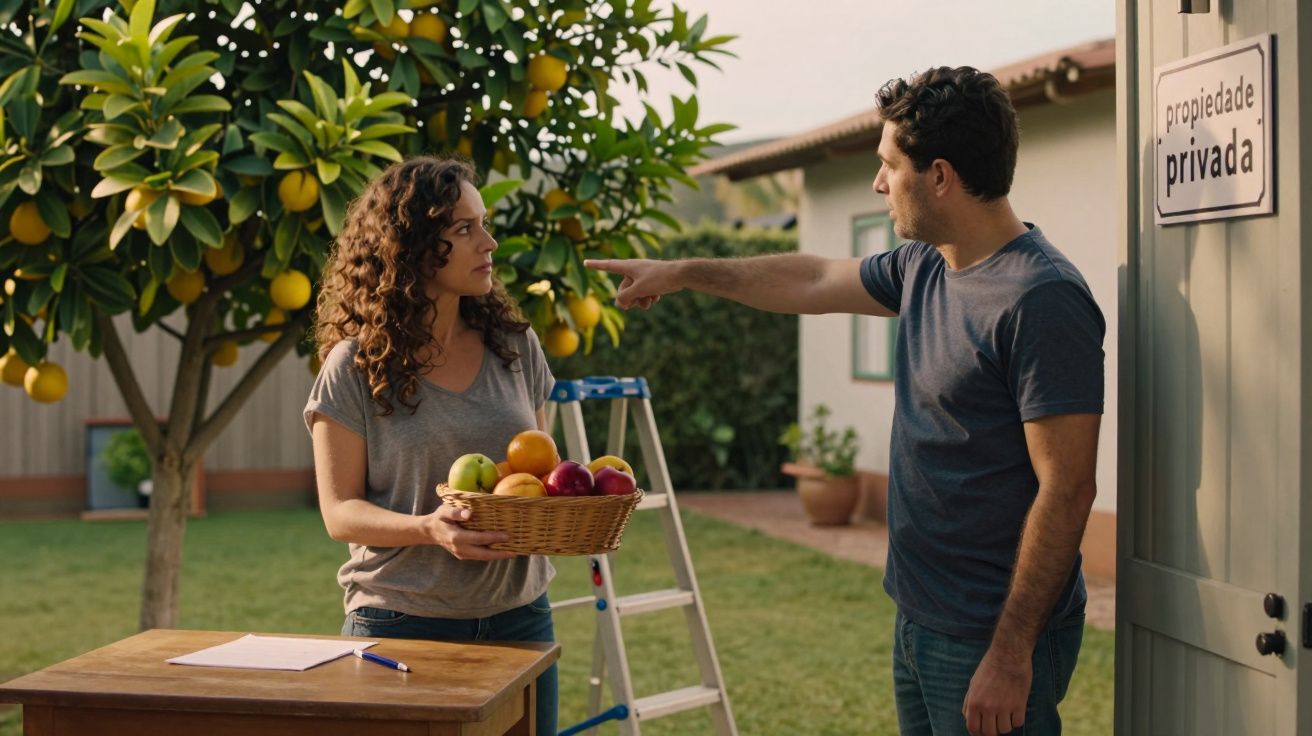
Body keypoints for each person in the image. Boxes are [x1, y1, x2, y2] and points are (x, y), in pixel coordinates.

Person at [588, 66, 1104, 736]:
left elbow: (1067, 488)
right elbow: (812, 279)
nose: (878, 184)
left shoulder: (1041, 298)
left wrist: (1009, 653)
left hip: (990, 638)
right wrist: (684, 272)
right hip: (921, 616)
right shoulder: (927, 265)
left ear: (940, 176)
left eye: (890, 165)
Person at [304, 156, 559, 735]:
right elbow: (339, 513)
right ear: (412, 245)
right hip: (400, 623)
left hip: (521, 618)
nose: (488, 242)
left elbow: (538, 477)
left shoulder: (515, 348)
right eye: (464, 229)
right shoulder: (355, 365)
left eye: (484, 223)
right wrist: (430, 529)